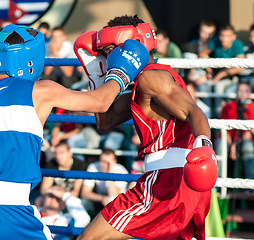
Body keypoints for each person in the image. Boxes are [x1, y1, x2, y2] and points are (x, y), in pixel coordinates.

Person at [0, 24, 150, 239]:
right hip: (10, 211)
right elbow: (101, 103)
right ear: (29, 58)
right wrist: (121, 71)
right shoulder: (41, 91)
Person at [74, 15, 217, 240]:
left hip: (166, 182)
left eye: (110, 49)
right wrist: (97, 75)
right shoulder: (140, 85)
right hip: (177, 182)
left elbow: (194, 111)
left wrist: (204, 147)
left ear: (128, 48)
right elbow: (106, 121)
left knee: (89, 238)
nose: (107, 55)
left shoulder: (151, 77)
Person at [199, 24, 245, 115]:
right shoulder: (215, 41)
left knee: (219, 88)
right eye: (222, 35)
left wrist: (222, 74)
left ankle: (219, 119)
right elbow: (202, 53)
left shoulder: (238, 45)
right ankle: (207, 116)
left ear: (233, 37)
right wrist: (209, 69)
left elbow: (241, 66)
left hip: (231, 78)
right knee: (203, 84)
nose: (224, 39)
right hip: (214, 75)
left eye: (227, 36)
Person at [216, 82, 254, 180]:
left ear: (250, 93)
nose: (243, 94)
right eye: (240, 90)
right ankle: (218, 183)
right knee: (221, 145)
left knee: (248, 146)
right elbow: (223, 127)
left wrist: (237, 143)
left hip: (244, 140)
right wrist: (232, 145)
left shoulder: (253, 107)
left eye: (246, 91)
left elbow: (250, 132)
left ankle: (250, 186)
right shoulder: (229, 106)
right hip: (228, 138)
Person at [80, 149, 128, 214]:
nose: (104, 165)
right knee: (83, 202)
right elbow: (85, 193)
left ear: (114, 162)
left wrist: (110, 172)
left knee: (111, 200)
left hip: (117, 203)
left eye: (108, 162)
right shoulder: (93, 167)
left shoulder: (121, 171)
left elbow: (113, 195)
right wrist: (102, 198)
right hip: (98, 200)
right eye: (102, 161)